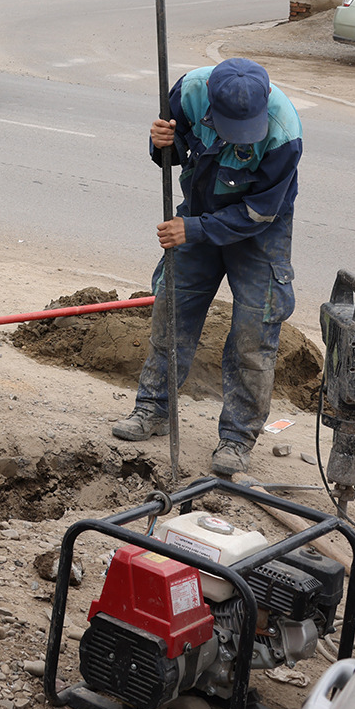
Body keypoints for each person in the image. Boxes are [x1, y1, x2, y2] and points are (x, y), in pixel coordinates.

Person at [113, 57, 303, 477]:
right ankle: (153, 409)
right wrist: (162, 142)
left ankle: (237, 439)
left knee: (254, 333)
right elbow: (175, 153)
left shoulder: (284, 132)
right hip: (198, 213)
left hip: (257, 232)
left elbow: (259, 212)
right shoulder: (188, 92)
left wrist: (194, 230)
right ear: (212, 106)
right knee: (172, 308)